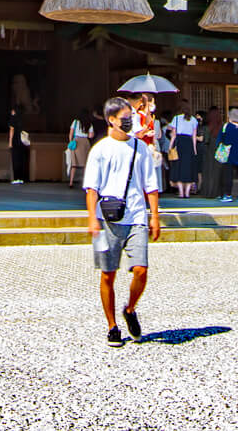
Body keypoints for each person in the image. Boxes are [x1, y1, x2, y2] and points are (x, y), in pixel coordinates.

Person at [84, 95, 163, 348]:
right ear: (111, 120)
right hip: (106, 218)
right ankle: (112, 326)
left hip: (136, 215)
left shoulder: (140, 148)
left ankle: (129, 309)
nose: (129, 122)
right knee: (108, 274)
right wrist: (91, 220)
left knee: (141, 270)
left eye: (131, 118)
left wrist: (155, 216)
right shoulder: (100, 150)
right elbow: (91, 189)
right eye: (125, 118)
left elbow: (151, 185)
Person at [216, 106, 238, 202]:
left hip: (228, 154)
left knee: (228, 175)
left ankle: (228, 195)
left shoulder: (226, 126)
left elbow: (220, 139)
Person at [168, 107, 200, 198]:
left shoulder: (176, 118)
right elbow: (194, 136)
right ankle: (187, 193)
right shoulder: (193, 120)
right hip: (189, 144)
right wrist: (194, 149)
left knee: (178, 167)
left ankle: (181, 192)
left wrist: (170, 146)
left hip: (179, 143)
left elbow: (173, 134)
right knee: (189, 167)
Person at [67, 111, 94, 188]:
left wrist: (71, 141)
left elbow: (71, 133)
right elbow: (90, 136)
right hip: (85, 142)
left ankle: (71, 182)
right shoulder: (89, 123)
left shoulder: (75, 122)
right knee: (85, 164)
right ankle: (85, 182)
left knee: (74, 164)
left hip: (76, 142)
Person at [7, 106, 31, 184]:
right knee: (21, 160)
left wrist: (10, 142)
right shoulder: (22, 119)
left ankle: (16, 178)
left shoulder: (13, 118)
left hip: (15, 141)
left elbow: (12, 130)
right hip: (22, 142)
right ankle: (22, 178)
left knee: (15, 159)